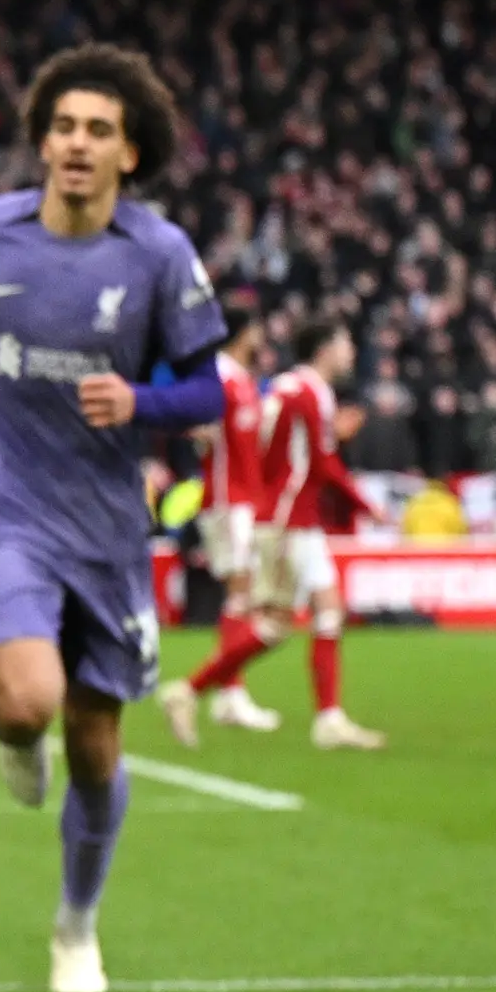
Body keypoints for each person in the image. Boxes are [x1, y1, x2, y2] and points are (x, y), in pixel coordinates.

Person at [0, 45, 228, 992]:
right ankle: (14, 732)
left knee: (99, 742)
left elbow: (209, 393)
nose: (76, 144)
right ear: (42, 139)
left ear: (130, 155)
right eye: (64, 126)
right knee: (28, 701)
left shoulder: (158, 255)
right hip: (12, 510)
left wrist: (142, 406)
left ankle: (76, 924)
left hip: (110, 526)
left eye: (98, 131)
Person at [250, 316, 390, 750]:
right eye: (346, 342)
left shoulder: (283, 386)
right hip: (292, 518)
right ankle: (194, 689)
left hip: (289, 514)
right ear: (326, 347)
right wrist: (367, 506)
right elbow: (324, 464)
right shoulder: (313, 391)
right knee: (277, 625)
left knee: (326, 612)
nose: (351, 351)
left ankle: (330, 719)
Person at [160, 316, 283, 738]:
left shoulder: (243, 379)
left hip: (245, 500)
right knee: (241, 598)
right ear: (245, 331)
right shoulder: (219, 376)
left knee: (243, 599)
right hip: (228, 501)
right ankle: (228, 694)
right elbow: (185, 416)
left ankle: (229, 693)